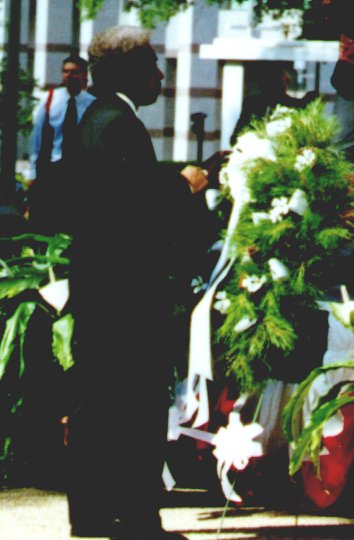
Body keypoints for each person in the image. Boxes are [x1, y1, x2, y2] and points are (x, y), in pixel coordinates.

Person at [62, 26, 211, 540]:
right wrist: (184, 185)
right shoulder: (118, 123)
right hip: (126, 297)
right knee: (135, 408)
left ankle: (94, 516)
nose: (160, 75)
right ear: (129, 70)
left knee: (99, 406)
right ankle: (137, 519)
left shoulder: (95, 118)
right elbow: (132, 206)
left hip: (100, 292)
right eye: (152, 64)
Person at [27, 55, 96, 233]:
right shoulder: (49, 100)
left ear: (84, 75)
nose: (69, 76)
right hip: (52, 168)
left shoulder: (92, 104)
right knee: (46, 220)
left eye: (74, 72)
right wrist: (33, 173)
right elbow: (37, 138)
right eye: (66, 72)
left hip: (79, 172)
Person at [230, 63, 318, 145]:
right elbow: (235, 138)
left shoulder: (295, 105)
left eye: (276, 83)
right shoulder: (252, 103)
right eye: (269, 82)